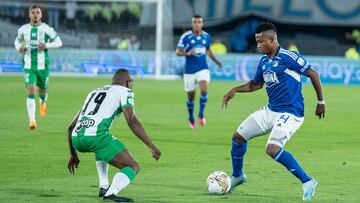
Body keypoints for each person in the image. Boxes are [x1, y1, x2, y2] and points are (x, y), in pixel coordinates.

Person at [221, 22, 325, 201]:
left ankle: (308, 181)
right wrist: (235, 90)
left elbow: (313, 74)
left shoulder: (288, 57)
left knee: (272, 148)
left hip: (291, 113)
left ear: (272, 39)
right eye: (257, 41)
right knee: (238, 137)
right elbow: (256, 84)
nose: (258, 45)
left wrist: (320, 101)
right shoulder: (264, 61)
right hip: (271, 110)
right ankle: (238, 176)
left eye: (261, 41)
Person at [67, 69, 161, 202]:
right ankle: (110, 194)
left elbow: (71, 127)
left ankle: (104, 186)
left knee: (102, 147)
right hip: (96, 137)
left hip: (76, 138)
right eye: (132, 83)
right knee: (133, 167)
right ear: (128, 83)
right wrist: (152, 146)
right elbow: (132, 121)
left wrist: (73, 154)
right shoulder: (124, 91)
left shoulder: (94, 92)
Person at [14, 5, 62, 129]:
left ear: (41, 15)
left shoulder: (46, 29)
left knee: (42, 90)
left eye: (37, 12)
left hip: (43, 65)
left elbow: (59, 42)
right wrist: (19, 48)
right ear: (29, 15)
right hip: (28, 64)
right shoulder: (23, 29)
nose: (35, 14)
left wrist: (47, 45)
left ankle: (43, 101)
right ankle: (32, 121)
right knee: (31, 89)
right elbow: (17, 41)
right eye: (33, 12)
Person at [176, 15, 222, 129]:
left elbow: (208, 50)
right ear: (192, 24)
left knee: (204, 88)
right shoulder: (186, 37)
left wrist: (216, 61)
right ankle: (191, 117)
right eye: (195, 22)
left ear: (202, 24)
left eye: (199, 22)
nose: (197, 24)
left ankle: (201, 114)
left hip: (203, 68)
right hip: (189, 70)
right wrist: (187, 53)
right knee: (191, 96)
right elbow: (178, 52)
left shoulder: (206, 36)